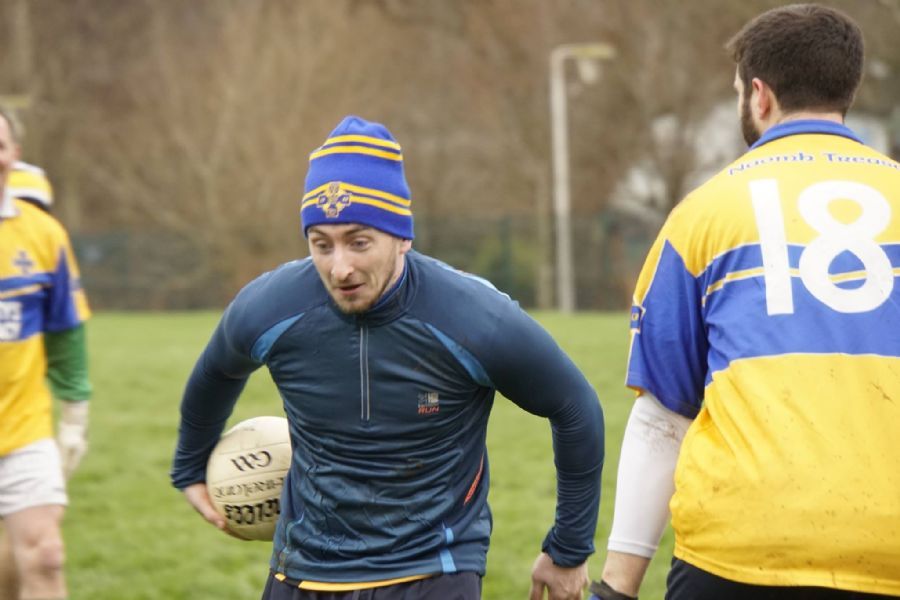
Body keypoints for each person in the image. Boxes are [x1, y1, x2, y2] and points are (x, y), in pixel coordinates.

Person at [171, 115, 605, 600]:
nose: (340, 267)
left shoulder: (473, 317)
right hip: (302, 571)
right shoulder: (270, 306)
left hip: (432, 572)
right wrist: (190, 465)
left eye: (359, 242)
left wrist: (568, 550)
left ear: (402, 237)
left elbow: (574, 407)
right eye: (321, 245)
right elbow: (216, 372)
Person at [590, 5, 900, 600]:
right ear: (847, 91)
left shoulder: (706, 213)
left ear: (759, 95)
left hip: (740, 555)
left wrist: (617, 587)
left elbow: (664, 417)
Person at [0, 107, 92, 600]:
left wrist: (74, 419)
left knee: (44, 555)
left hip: (23, 428)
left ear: (14, 154)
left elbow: (65, 333)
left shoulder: (43, 235)